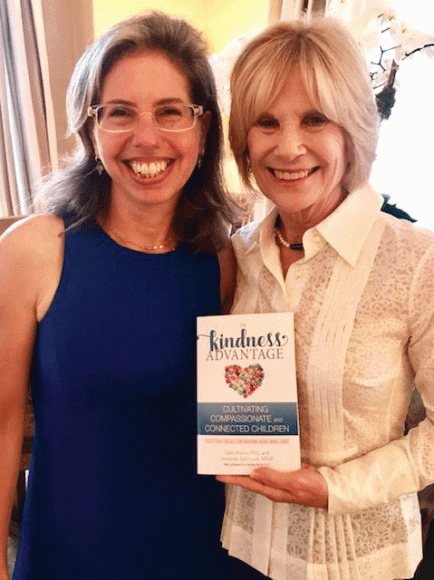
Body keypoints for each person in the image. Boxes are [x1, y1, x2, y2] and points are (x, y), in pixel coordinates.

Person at [0, 10, 237, 580]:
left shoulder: (224, 262)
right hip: (73, 556)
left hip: (205, 555)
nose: (146, 137)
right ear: (90, 131)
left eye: (171, 112)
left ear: (203, 132)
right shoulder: (35, 250)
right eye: (119, 113)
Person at [217, 18, 434, 580]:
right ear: (244, 140)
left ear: (353, 129)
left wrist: (332, 488)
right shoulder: (232, 258)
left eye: (314, 119)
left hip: (362, 561)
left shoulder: (415, 260)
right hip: (244, 549)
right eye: (266, 122)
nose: (289, 147)